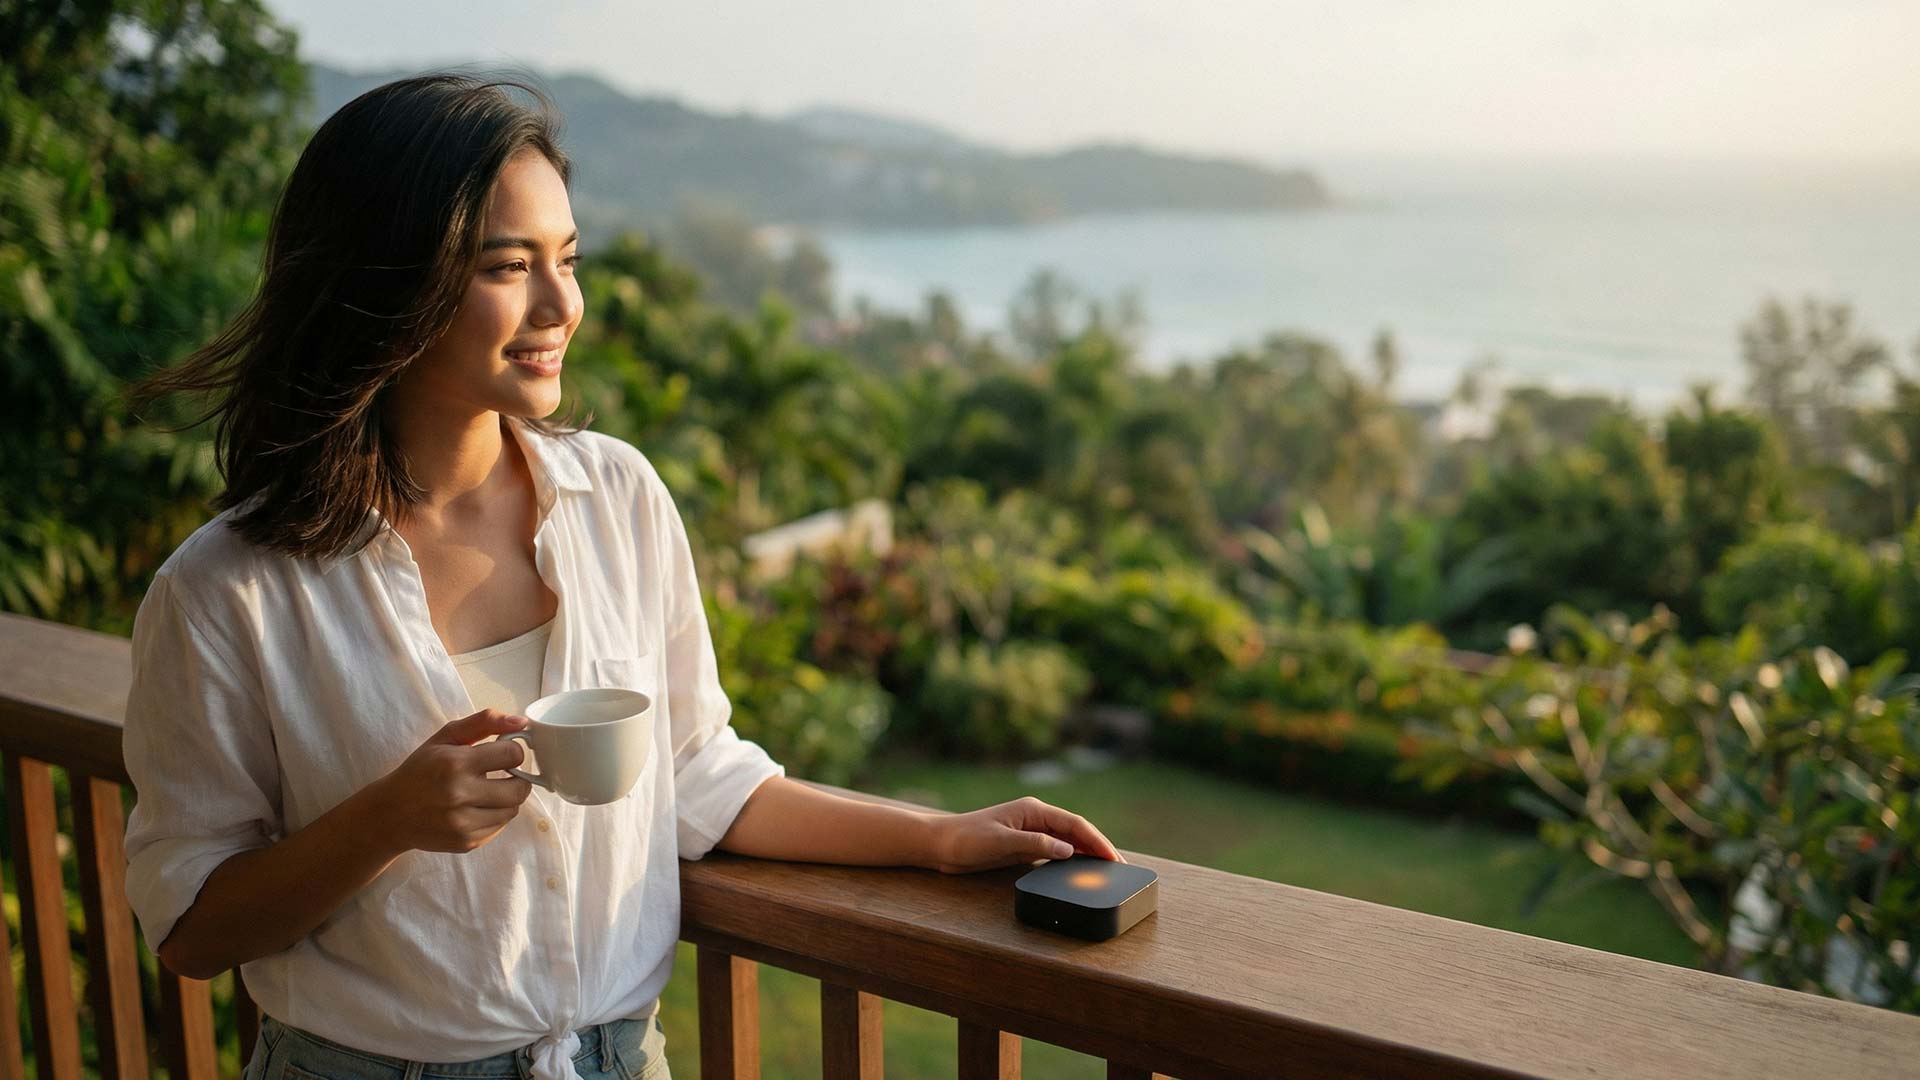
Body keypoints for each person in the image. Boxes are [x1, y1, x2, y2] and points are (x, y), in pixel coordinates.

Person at [121, 74, 1123, 1080]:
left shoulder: (618, 499)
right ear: (383, 282)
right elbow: (192, 929)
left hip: (619, 1058)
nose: (562, 304)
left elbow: (697, 771)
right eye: (508, 266)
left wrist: (938, 839)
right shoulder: (229, 591)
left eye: (567, 259)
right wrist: (385, 822)